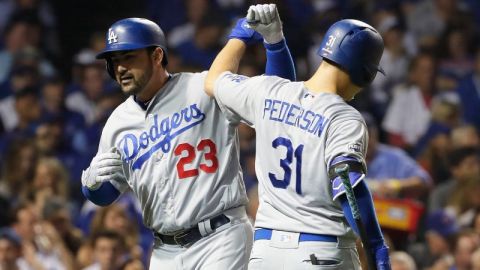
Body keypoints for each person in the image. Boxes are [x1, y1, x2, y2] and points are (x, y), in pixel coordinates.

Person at [80, 10, 295, 269]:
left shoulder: (203, 87)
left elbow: (279, 102)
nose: (120, 68)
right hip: (164, 251)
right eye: (114, 61)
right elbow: (107, 193)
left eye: (129, 57)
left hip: (220, 238)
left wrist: (274, 43)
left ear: (157, 55)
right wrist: (91, 186)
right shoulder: (117, 123)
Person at [204, 6, 391, 269]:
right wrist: (376, 247)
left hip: (265, 254)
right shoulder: (344, 118)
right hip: (322, 251)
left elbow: (213, 81)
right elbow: (348, 184)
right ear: (365, 72)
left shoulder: (267, 91)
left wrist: (243, 35)